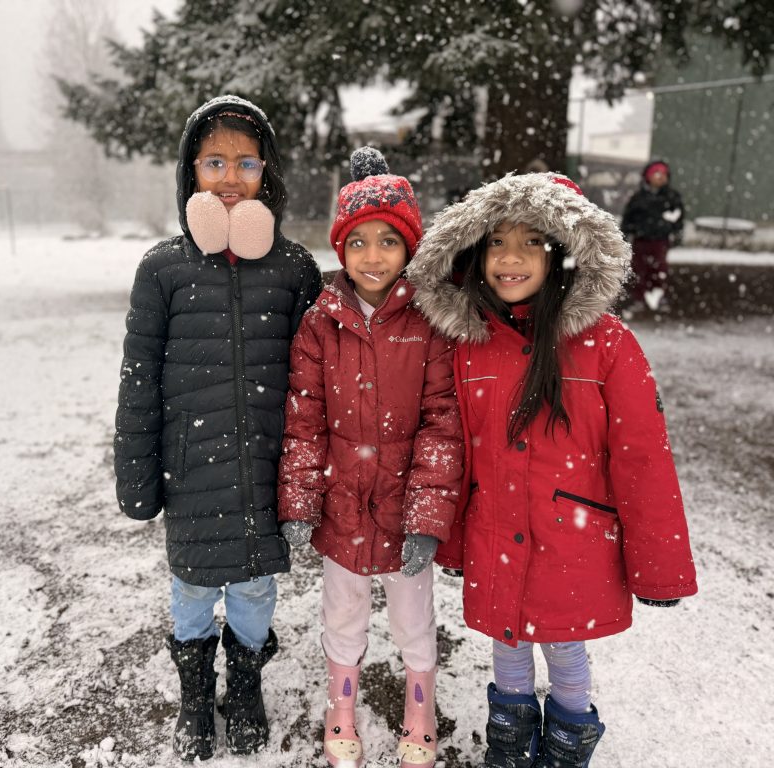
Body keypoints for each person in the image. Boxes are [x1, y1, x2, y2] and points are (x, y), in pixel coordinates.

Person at [408, 172, 698, 767]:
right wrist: (456, 541)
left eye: (531, 242)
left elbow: (642, 459)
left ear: (562, 253)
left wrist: (659, 568)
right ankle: (511, 741)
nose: (510, 258)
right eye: (497, 242)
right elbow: (460, 452)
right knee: (507, 646)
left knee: (565, 651)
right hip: (496, 536)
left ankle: (567, 744)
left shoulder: (606, 344)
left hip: (572, 543)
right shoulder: (470, 345)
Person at [113, 94, 322, 762]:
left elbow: (318, 378)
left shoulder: (293, 268)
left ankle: (247, 684)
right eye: (214, 162)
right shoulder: (163, 269)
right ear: (191, 172)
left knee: (256, 584)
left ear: (268, 173)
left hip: (265, 466)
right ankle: (197, 693)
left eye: (247, 162)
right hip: (191, 468)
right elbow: (138, 380)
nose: (231, 177)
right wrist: (136, 475)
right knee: (195, 585)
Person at [278, 147, 464, 768]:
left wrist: (427, 517)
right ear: (341, 249)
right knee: (344, 613)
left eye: (388, 241)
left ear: (409, 248)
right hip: (342, 507)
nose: (373, 256)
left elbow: (442, 425)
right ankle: (342, 706)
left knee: (413, 618)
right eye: (358, 242)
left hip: (405, 509)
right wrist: (300, 502)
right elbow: (304, 422)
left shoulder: (429, 323)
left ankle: (420, 707)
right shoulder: (319, 323)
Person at [620, 159, 684, 313]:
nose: (660, 177)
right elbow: (628, 217)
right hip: (640, 240)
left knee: (659, 268)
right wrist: (626, 232)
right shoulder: (638, 198)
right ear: (648, 176)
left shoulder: (671, 197)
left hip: (660, 240)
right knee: (639, 269)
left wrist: (676, 233)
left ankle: (658, 295)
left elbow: (679, 217)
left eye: (663, 174)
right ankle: (639, 297)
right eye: (656, 173)